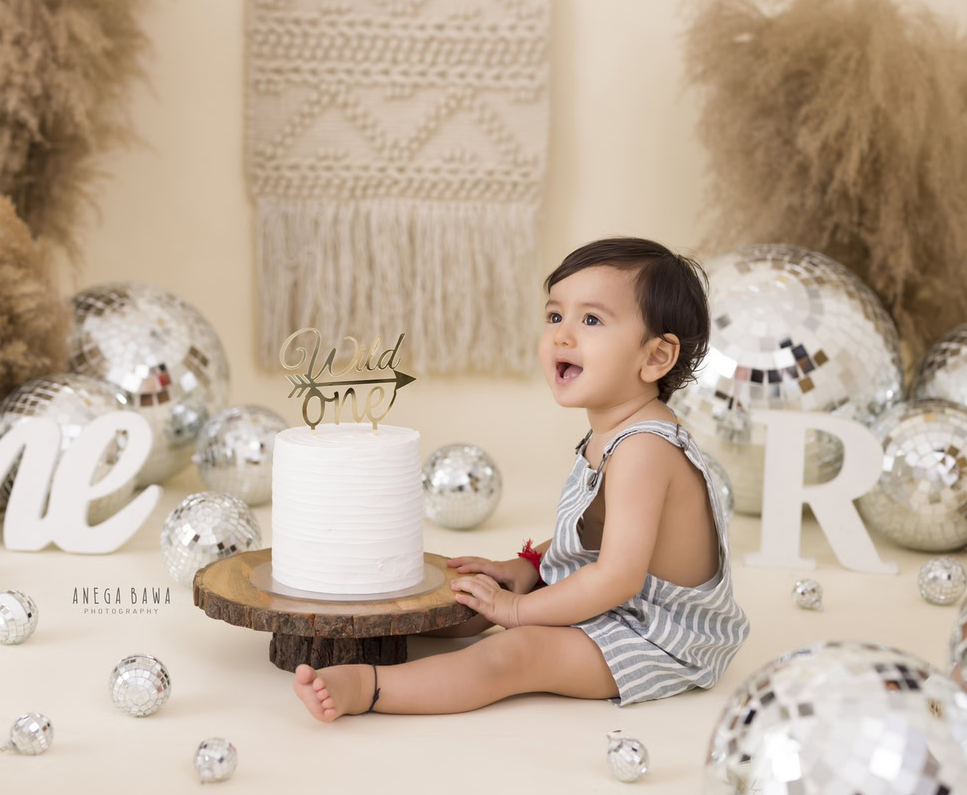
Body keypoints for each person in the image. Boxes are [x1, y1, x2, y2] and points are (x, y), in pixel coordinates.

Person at [292, 237, 751, 721]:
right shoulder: (616, 429)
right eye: (555, 316)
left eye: (591, 320)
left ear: (656, 357)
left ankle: (369, 687)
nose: (563, 335)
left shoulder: (645, 448)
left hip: (658, 633)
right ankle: (363, 628)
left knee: (516, 654)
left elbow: (617, 576)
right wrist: (528, 568)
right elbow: (598, 530)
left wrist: (516, 611)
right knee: (465, 597)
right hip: (618, 599)